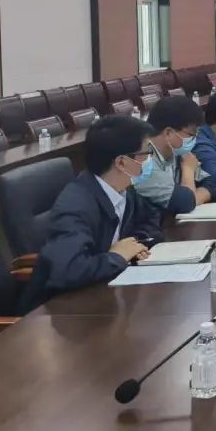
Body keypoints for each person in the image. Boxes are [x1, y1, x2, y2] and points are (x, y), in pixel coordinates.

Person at [24, 116, 162, 304]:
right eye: (146, 154)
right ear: (121, 162)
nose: (150, 160)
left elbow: (152, 217)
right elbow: (69, 270)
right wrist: (117, 257)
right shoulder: (76, 206)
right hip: (60, 310)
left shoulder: (123, 189)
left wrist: (135, 244)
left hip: (102, 292)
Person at [136, 95, 207, 214]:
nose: (194, 140)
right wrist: (188, 170)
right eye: (191, 135)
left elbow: (212, 182)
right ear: (168, 132)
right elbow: (185, 203)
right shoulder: (143, 162)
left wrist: (195, 197)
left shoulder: (175, 150)